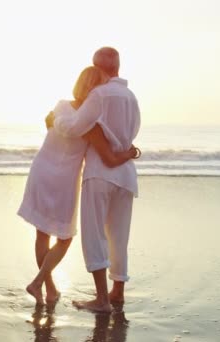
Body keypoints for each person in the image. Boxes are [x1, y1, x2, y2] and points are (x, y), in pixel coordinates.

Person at [18, 65, 140, 305]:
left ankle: (47, 289)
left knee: (43, 234)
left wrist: (55, 121)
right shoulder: (91, 121)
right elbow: (106, 154)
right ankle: (42, 284)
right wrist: (130, 153)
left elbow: (57, 125)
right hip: (61, 179)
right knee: (62, 237)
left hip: (44, 172)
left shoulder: (62, 107)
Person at [49, 47, 141, 313]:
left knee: (94, 235)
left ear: (96, 66)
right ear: (118, 66)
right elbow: (131, 133)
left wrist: (58, 118)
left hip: (100, 173)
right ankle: (117, 293)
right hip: (125, 173)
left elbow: (75, 126)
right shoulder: (131, 97)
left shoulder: (99, 94)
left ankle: (101, 299)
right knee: (119, 237)